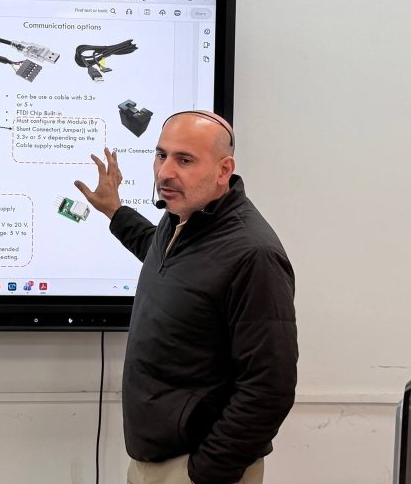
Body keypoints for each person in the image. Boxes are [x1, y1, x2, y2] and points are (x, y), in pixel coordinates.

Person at [74, 111, 297, 484]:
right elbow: (164, 257)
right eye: (161, 155)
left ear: (224, 170)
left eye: (185, 160)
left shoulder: (253, 255)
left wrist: (204, 473)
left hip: (195, 468)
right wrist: (115, 211)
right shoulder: (185, 218)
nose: (164, 172)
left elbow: (268, 388)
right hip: (153, 461)